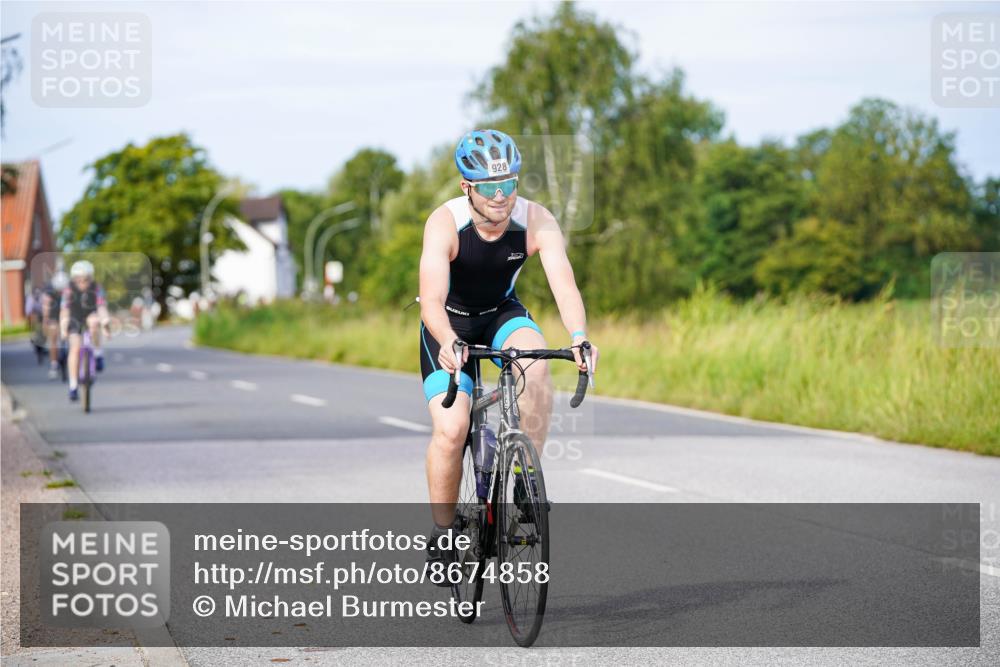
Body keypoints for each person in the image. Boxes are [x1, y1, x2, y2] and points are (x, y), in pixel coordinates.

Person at [418, 129, 599, 576]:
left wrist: (578, 335)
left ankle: (521, 485)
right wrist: (447, 341)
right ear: (467, 187)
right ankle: (444, 534)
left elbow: (563, 281)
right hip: (449, 324)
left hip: (502, 314)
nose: (501, 197)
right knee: (452, 428)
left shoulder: (535, 219)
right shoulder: (445, 223)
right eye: (490, 188)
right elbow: (432, 302)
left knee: (535, 364)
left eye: (509, 184)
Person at [60, 260, 110, 401]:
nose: (82, 283)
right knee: (75, 348)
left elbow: (101, 307)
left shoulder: (96, 288)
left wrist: (105, 322)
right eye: (78, 280)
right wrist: (63, 329)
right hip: (75, 318)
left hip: (90, 315)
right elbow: (64, 311)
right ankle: (73, 386)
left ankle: (98, 353)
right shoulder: (69, 290)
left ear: (91, 278)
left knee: (94, 322)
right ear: (74, 279)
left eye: (86, 280)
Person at [41, 272, 68, 379]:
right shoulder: (49, 292)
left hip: (65, 316)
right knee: (53, 338)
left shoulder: (69, 291)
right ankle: (54, 364)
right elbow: (46, 307)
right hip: (54, 316)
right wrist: (45, 319)